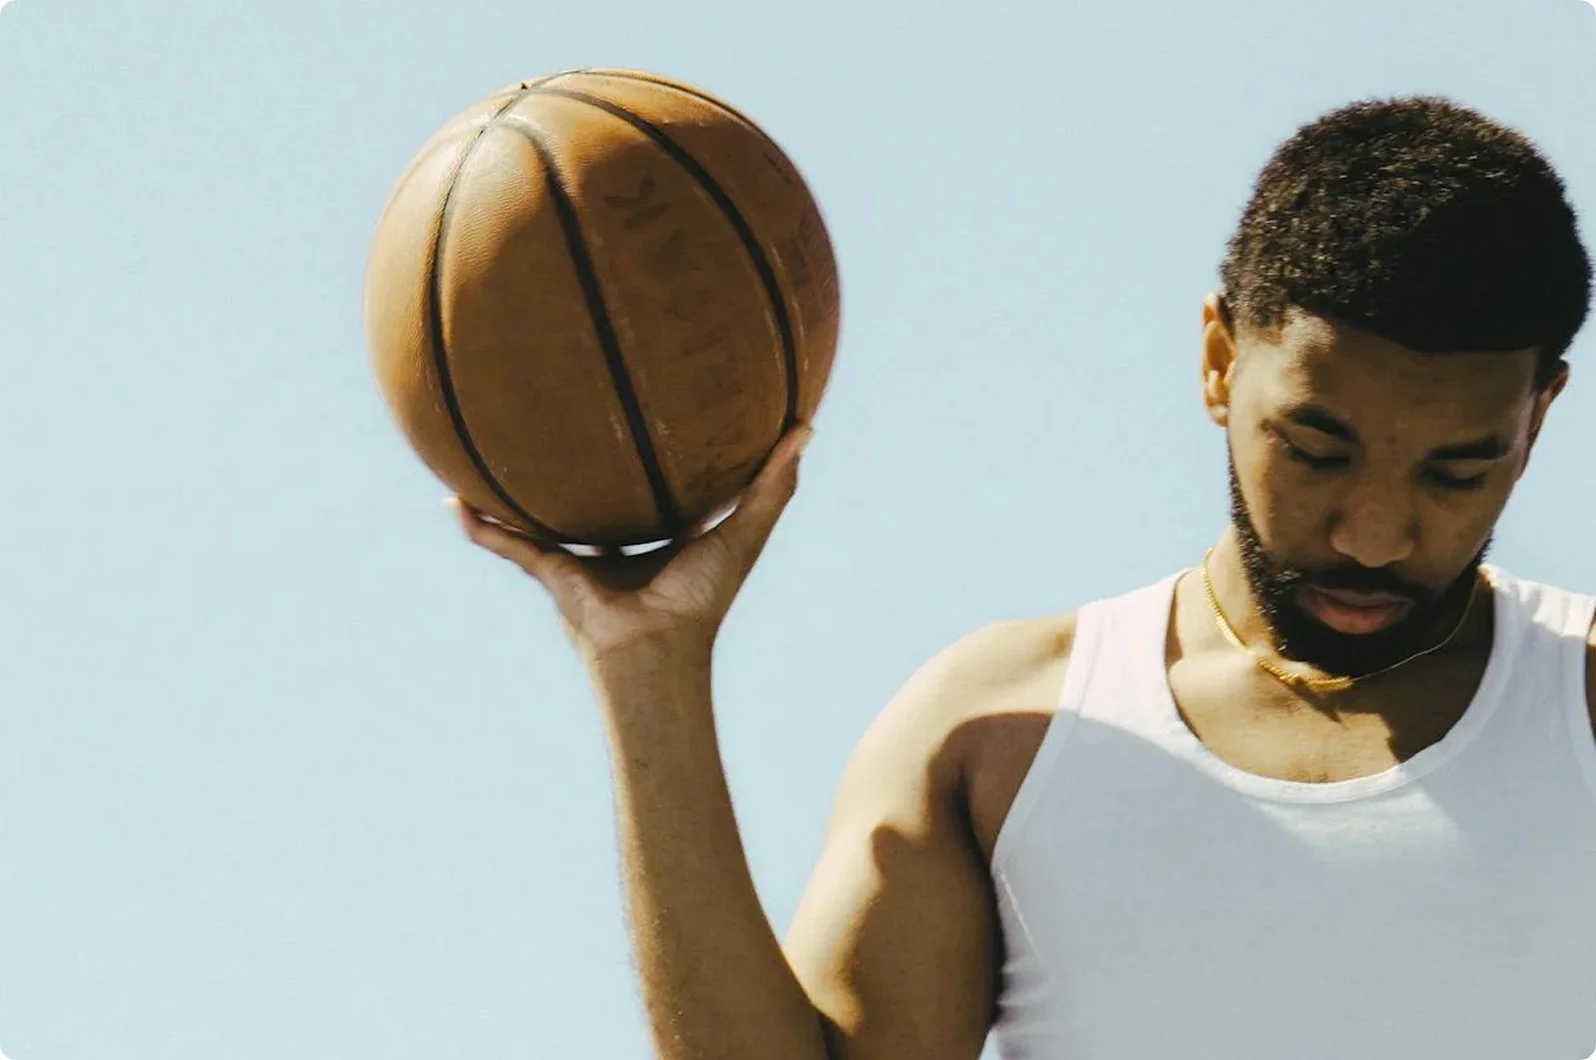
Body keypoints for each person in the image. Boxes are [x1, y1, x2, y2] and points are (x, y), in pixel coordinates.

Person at [453, 95, 1596, 1060]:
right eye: (1316, 449)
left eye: (1456, 471)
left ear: (1537, 417)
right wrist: (649, 666)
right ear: (1218, 360)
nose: (1374, 534)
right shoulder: (1004, 731)